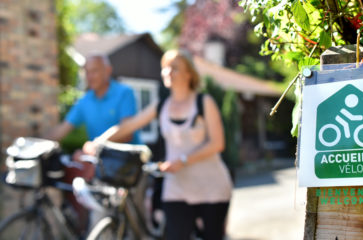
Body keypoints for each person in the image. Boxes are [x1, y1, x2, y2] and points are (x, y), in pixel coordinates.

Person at [84, 49, 233, 240]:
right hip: (177, 188)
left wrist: (184, 160)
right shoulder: (160, 106)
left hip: (211, 187)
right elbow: (128, 125)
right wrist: (99, 142)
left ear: (189, 73)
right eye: (165, 68)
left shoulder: (204, 102)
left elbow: (217, 143)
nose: (168, 72)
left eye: (174, 68)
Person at [45, 54, 141, 235]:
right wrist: (38, 144)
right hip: (103, 168)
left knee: (133, 224)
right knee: (100, 222)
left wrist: (96, 145)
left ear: (108, 71)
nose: (90, 76)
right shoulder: (85, 101)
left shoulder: (124, 93)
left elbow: (126, 131)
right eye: (87, 72)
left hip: (130, 167)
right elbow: (63, 129)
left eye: (95, 71)